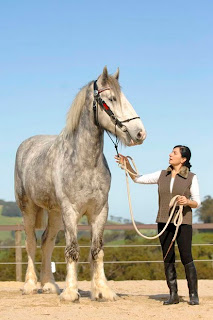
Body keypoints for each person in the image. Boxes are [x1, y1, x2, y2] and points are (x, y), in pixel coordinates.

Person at [115, 145, 200, 305]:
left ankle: (193, 295)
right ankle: (173, 295)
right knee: (168, 257)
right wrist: (127, 165)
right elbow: (137, 178)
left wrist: (187, 201)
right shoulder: (162, 175)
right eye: (171, 152)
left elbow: (197, 201)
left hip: (183, 223)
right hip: (163, 221)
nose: (170, 154)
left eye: (174, 153)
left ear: (183, 159)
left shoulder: (191, 177)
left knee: (186, 257)